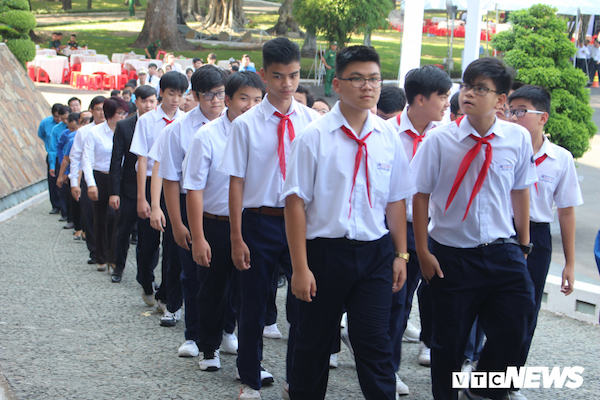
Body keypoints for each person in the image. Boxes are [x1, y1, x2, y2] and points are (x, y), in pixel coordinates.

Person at [283, 44, 415, 400]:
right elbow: (295, 204)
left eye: (374, 79)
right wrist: (300, 268)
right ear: (337, 84)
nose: (367, 86)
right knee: (313, 344)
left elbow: (396, 200)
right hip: (324, 254)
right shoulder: (314, 137)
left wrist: (401, 255)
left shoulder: (387, 137)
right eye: (357, 79)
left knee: (374, 342)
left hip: (374, 255)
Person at [411, 57, 537, 400]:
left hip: (502, 251)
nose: (468, 93)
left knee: (517, 325)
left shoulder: (516, 138)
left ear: (500, 100)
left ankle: (481, 390)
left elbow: (520, 190)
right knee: (448, 344)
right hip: (451, 256)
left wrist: (523, 245)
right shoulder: (440, 140)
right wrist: (422, 251)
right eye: (466, 85)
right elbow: (420, 195)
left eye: (480, 88)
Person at [218, 37, 320, 400]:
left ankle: (297, 378)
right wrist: (236, 236)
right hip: (259, 221)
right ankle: (250, 378)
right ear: (263, 75)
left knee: (304, 304)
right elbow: (236, 182)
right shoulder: (246, 125)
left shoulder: (313, 122)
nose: (287, 84)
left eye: (293, 75)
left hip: (302, 223)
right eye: (278, 76)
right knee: (253, 303)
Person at [182, 71, 265, 372]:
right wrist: (198, 237)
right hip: (216, 223)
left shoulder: (264, 134)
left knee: (250, 293)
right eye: (244, 98)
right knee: (213, 289)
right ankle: (208, 347)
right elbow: (194, 189)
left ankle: (247, 356)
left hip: (252, 223)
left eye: (257, 100)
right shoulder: (207, 136)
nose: (250, 106)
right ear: (227, 100)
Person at [507, 85, 582, 400]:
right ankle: (476, 370)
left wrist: (570, 263)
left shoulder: (560, 159)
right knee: (490, 306)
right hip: (501, 231)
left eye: (521, 111)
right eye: (510, 110)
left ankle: (508, 383)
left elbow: (566, 212)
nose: (513, 117)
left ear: (543, 118)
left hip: (537, 237)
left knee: (527, 311)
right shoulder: (502, 149)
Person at [386, 65, 452, 382]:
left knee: (433, 300)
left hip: (432, 230)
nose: (447, 104)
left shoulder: (448, 137)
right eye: (443, 97)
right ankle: (388, 371)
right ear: (421, 99)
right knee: (395, 302)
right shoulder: (386, 133)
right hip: (394, 228)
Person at [159, 65, 228, 358]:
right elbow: (170, 180)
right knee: (191, 274)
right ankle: (193, 334)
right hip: (190, 208)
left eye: (220, 93)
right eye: (208, 95)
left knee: (228, 277)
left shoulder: (237, 124)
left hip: (226, 209)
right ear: (196, 96)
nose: (216, 100)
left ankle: (227, 331)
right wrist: (177, 223)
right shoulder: (179, 129)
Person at [130, 71, 186, 311]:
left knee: (172, 244)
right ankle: (146, 281)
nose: (176, 99)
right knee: (148, 243)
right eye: (171, 94)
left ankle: (165, 294)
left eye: (181, 94)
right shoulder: (147, 120)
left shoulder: (185, 120)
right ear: (161, 92)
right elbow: (143, 159)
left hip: (173, 186)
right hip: (149, 184)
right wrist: (142, 198)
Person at [108, 85, 158, 284]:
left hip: (154, 186)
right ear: (136, 102)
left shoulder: (161, 124)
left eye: (152, 101)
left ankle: (148, 274)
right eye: (144, 101)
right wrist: (114, 192)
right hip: (129, 187)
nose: (148, 105)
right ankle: (118, 266)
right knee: (123, 230)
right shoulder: (124, 125)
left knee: (151, 233)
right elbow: (116, 161)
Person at [82, 96, 129, 273]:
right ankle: (100, 256)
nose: (123, 117)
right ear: (109, 113)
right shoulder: (95, 132)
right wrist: (91, 184)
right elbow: (86, 159)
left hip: (119, 177)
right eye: (119, 113)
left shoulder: (126, 131)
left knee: (117, 218)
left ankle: (113, 257)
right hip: (100, 177)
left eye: (125, 113)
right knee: (101, 218)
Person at [69, 97, 106, 265]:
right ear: (91, 110)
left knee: (108, 216)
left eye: (104, 109)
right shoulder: (83, 132)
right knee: (90, 215)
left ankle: (107, 250)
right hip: (87, 177)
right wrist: (74, 183)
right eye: (98, 109)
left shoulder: (115, 129)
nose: (102, 112)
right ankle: (94, 251)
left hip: (107, 177)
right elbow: (75, 158)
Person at [57, 111, 92, 241]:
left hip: (93, 173)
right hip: (77, 173)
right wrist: (62, 175)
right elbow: (67, 158)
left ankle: (88, 229)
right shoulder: (73, 137)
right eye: (84, 121)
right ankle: (79, 228)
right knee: (77, 201)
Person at [56, 112, 81, 230]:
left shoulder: (85, 134)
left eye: (74, 128)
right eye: (70, 128)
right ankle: (71, 220)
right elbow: (63, 153)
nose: (71, 131)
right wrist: (63, 173)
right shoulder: (69, 136)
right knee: (70, 196)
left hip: (83, 170)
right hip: (71, 169)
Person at [38, 103, 63, 214]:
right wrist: (49, 144)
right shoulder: (45, 123)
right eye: (56, 116)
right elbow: (41, 135)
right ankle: (55, 206)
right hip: (52, 155)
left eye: (60, 116)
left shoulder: (66, 124)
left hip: (64, 156)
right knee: (52, 181)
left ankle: (64, 207)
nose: (58, 119)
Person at [49, 105, 72, 221]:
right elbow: (53, 149)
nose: (64, 121)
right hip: (61, 160)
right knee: (62, 188)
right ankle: (65, 213)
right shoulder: (57, 129)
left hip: (73, 160)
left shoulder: (76, 127)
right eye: (62, 118)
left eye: (67, 118)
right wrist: (52, 165)